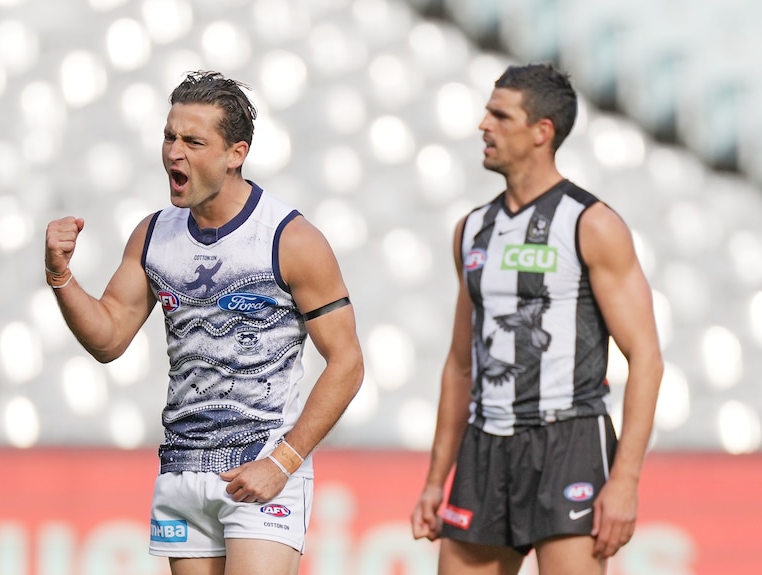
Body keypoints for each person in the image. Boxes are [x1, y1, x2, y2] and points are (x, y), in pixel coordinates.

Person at [45, 70, 364, 575]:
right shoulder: (153, 235)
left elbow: (347, 362)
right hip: (182, 467)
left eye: (193, 141)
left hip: (260, 464)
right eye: (170, 136)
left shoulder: (290, 239)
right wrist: (60, 276)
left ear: (236, 153)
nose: (174, 152)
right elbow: (108, 338)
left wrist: (282, 462)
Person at [410, 63, 663, 574]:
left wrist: (626, 481)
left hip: (567, 439)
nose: (484, 125)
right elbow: (461, 365)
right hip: (486, 443)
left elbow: (646, 358)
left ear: (541, 132)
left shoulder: (592, 224)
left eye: (500, 116)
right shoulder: (472, 230)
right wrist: (436, 479)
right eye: (487, 112)